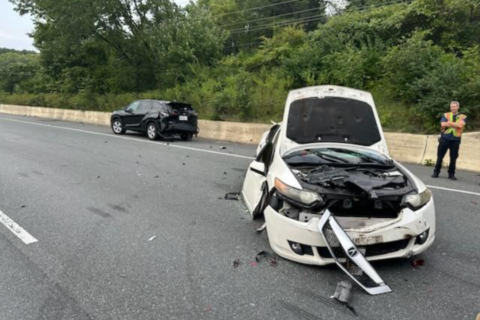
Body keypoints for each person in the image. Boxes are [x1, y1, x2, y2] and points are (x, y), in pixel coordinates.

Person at [431, 101, 467, 180]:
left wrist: (449, 122)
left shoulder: (463, 116)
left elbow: (460, 125)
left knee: (453, 158)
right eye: (451, 107)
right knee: (440, 157)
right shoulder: (446, 115)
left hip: (455, 140)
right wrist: (455, 124)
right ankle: (436, 172)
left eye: (454, 107)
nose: (452, 108)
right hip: (445, 139)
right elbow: (443, 124)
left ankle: (451, 174)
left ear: (458, 107)